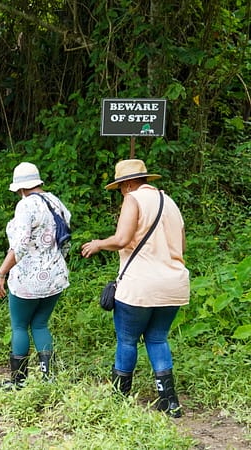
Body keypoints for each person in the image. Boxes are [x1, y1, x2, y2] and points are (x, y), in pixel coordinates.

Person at [81, 159, 189, 418]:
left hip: (140, 286)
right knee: (158, 338)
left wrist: (98, 243)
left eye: (119, 187)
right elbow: (182, 247)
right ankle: (169, 401)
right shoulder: (169, 202)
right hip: (173, 285)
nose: (120, 193)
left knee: (127, 340)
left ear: (128, 184)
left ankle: (120, 398)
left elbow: (122, 239)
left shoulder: (133, 199)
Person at [0, 162, 71, 388]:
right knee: (40, 325)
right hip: (55, 276)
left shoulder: (26, 206)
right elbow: (65, 239)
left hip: (27, 279)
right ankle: (48, 377)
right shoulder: (56, 202)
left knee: (19, 326)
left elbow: (20, 246)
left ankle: (18, 381)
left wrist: (1, 273)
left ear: (21, 188)